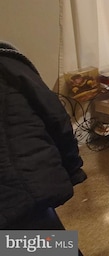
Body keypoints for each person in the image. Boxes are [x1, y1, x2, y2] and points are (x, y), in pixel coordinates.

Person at [0, 41, 87, 232]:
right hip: (27, 190)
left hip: (20, 190)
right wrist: (73, 169)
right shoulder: (8, 63)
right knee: (48, 244)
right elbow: (57, 118)